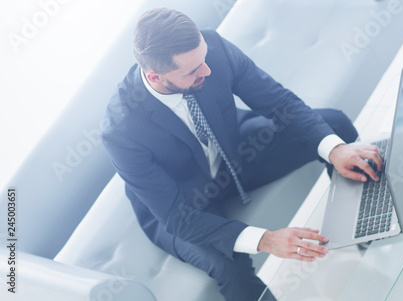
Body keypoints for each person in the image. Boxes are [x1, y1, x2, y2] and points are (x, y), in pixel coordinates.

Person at [100, 7, 382, 301]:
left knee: (333, 128)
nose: (206, 70)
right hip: (183, 204)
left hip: (237, 153)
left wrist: (334, 150)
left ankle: (372, 230)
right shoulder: (121, 130)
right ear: (156, 77)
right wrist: (267, 239)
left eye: (204, 59)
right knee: (229, 266)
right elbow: (179, 219)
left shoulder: (213, 49)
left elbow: (279, 102)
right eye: (193, 71)